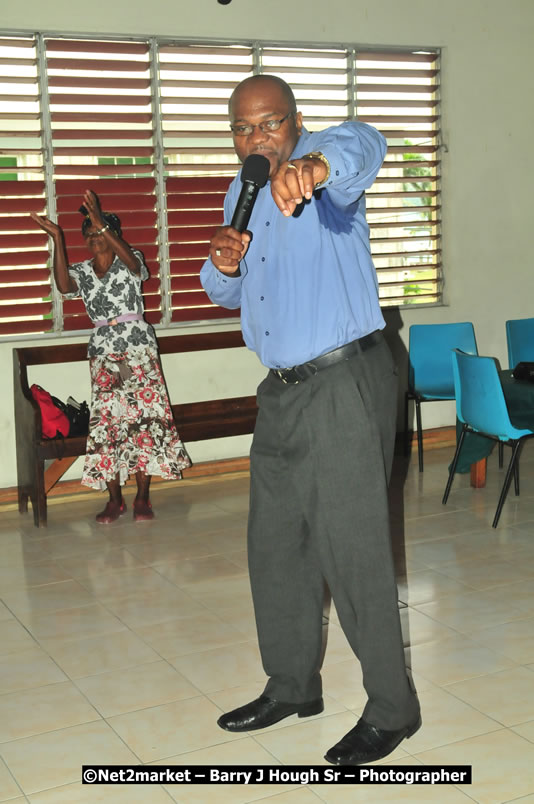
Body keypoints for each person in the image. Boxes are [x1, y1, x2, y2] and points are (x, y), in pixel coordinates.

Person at [200, 75, 421, 765]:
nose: (257, 137)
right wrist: (221, 261)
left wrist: (316, 167)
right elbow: (225, 291)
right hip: (283, 389)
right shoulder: (242, 195)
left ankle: (393, 708)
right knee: (275, 545)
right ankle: (292, 685)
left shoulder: (320, 173)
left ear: (295, 122)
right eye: (243, 127)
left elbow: (365, 144)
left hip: (342, 375)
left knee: (351, 547)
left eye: (270, 123)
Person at [31, 191, 191, 523]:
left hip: (136, 350)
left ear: (112, 233)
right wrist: (58, 238)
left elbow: (135, 266)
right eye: (88, 235)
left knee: (142, 421)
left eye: (100, 232)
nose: (94, 239)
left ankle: (143, 498)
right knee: (109, 424)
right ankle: (114, 499)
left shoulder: (130, 259)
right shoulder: (84, 271)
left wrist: (104, 226)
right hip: (104, 352)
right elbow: (63, 286)